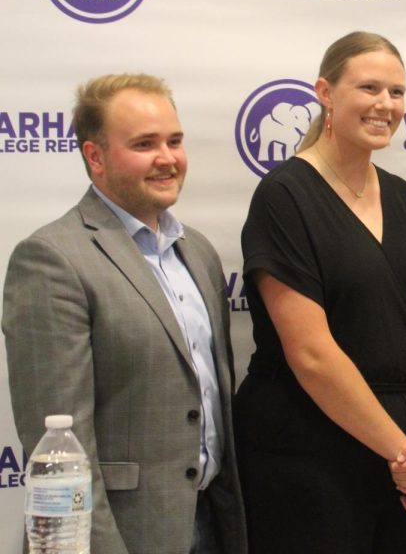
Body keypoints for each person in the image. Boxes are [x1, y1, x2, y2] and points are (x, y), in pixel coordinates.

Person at [3, 74, 247, 554]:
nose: (167, 158)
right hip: (125, 536)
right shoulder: (52, 259)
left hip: (212, 522)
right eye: (144, 144)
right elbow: (59, 449)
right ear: (95, 157)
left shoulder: (196, 250)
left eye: (174, 141)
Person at [234, 32, 406, 553]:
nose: (386, 104)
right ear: (326, 93)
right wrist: (405, 459)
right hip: (311, 452)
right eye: (369, 87)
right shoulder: (284, 196)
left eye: (396, 92)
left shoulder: (405, 198)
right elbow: (311, 355)